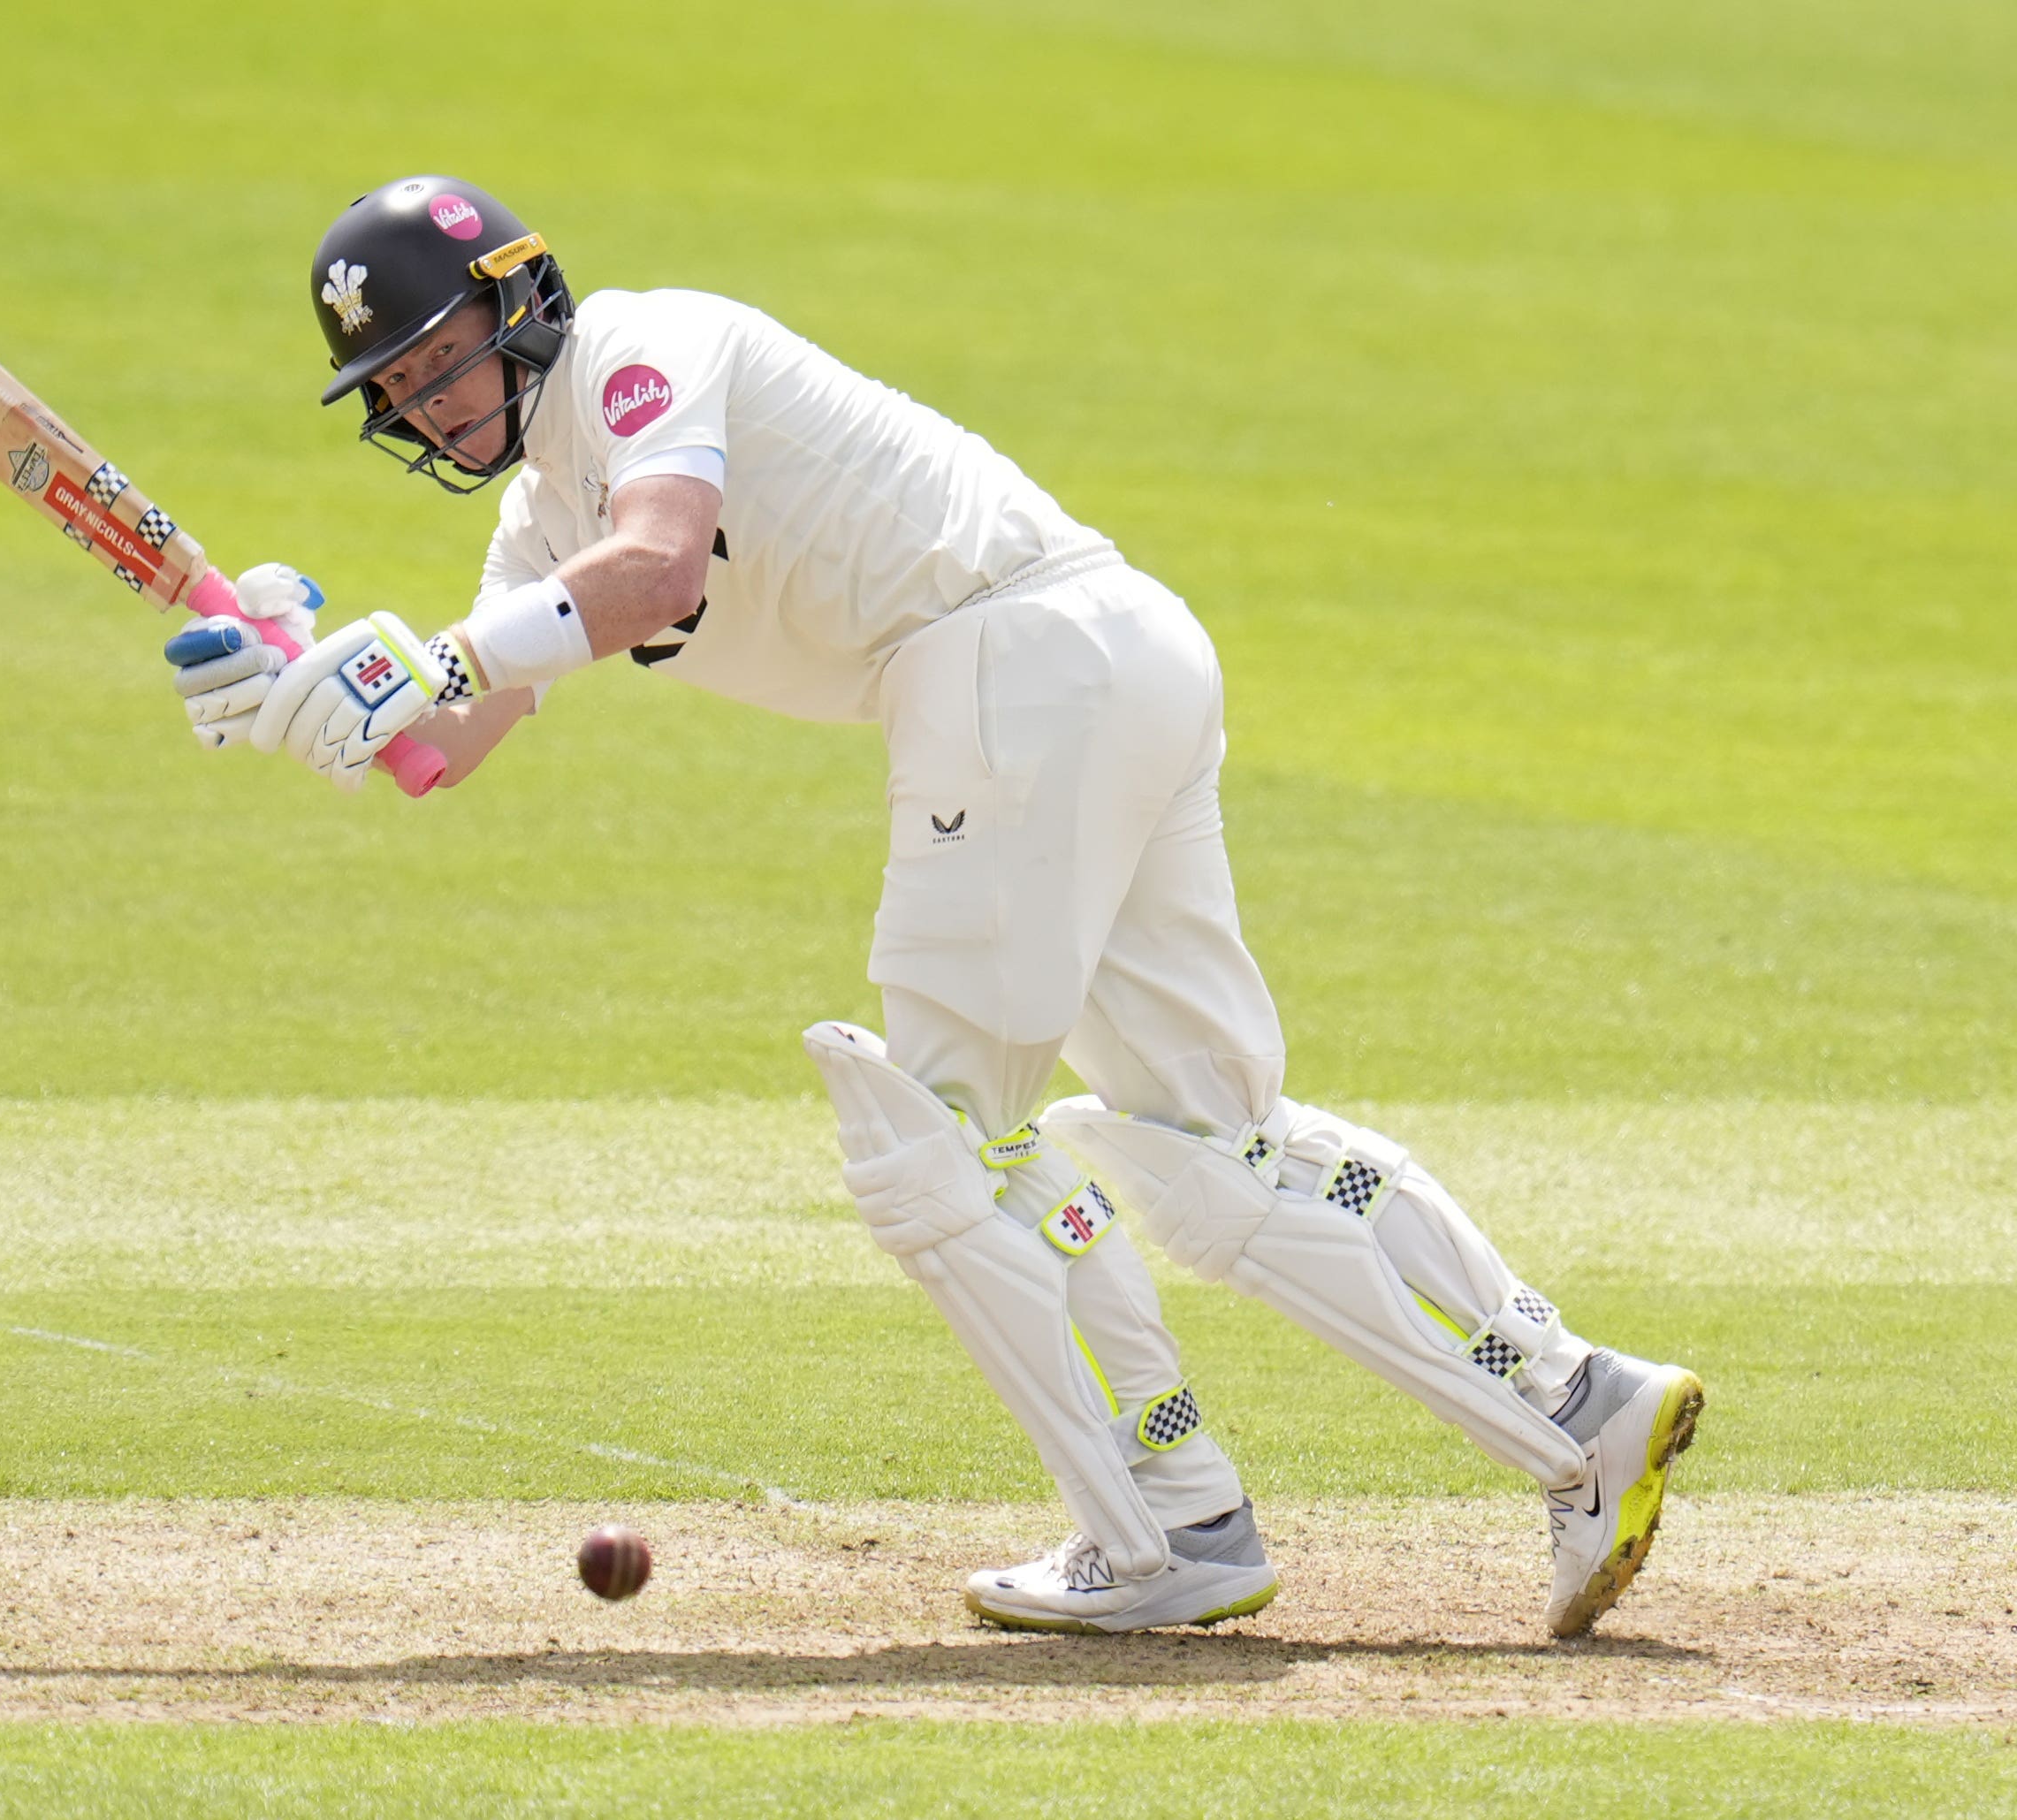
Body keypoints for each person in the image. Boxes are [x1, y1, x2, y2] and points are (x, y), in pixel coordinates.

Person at [169, 174, 1703, 1637]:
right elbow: (449, 744)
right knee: (1207, 1136)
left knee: (940, 1145)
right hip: (1098, 662)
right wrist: (297, 680)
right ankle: (1582, 1403)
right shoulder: (538, 522)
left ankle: (1167, 1526)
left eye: (443, 360)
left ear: (523, 303)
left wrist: (418, 665)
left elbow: (652, 570)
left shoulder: (645, 347)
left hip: (1008, 662)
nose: (432, 403)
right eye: (401, 388)